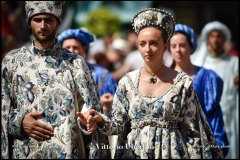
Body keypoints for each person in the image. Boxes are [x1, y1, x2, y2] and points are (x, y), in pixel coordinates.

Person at [77, 8, 224, 159]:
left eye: (153, 43)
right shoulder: (127, 82)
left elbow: (192, 132)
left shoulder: (182, 83)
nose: (147, 49)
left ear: (165, 46)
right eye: (142, 44)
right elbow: (117, 125)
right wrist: (99, 118)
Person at [1, 1, 110, 159]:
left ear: (58, 22)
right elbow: (4, 110)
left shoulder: (76, 63)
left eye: (49, 20)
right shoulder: (12, 62)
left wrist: (88, 120)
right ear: (29, 23)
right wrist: (20, 123)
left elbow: (92, 112)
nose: (43, 25)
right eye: (37, 20)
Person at [169, 23, 229, 156]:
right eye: (173, 46)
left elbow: (214, 116)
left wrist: (218, 146)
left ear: (191, 47)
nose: (178, 50)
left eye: (182, 45)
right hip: (171, 145)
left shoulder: (208, 77)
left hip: (200, 145)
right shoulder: (163, 78)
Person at [57, 28, 118, 158]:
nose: (71, 50)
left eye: (76, 47)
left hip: (95, 135)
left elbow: (115, 111)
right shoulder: (55, 75)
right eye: (67, 47)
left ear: (84, 49)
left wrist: (105, 106)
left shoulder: (102, 74)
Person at [191, 21, 239, 159]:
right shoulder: (199, 63)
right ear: (207, 39)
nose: (215, 39)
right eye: (212, 36)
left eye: (219, 36)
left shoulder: (234, 63)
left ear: (224, 39)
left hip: (229, 117)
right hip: (206, 118)